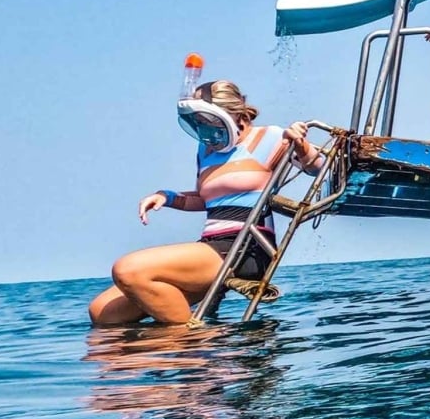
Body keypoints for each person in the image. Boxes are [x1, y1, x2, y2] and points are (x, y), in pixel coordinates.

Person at [88, 81, 325, 327]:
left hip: (246, 246)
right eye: (198, 122)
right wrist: (167, 197)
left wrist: (301, 145)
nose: (203, 129)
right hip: (211, 246)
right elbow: (205, 199)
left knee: (128, 270)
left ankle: (193, 339)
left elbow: (316, 168)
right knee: (104, 313)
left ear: (231, 112)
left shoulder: (271, 136)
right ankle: (183, 341)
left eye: (206, 120)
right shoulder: (206, 150)